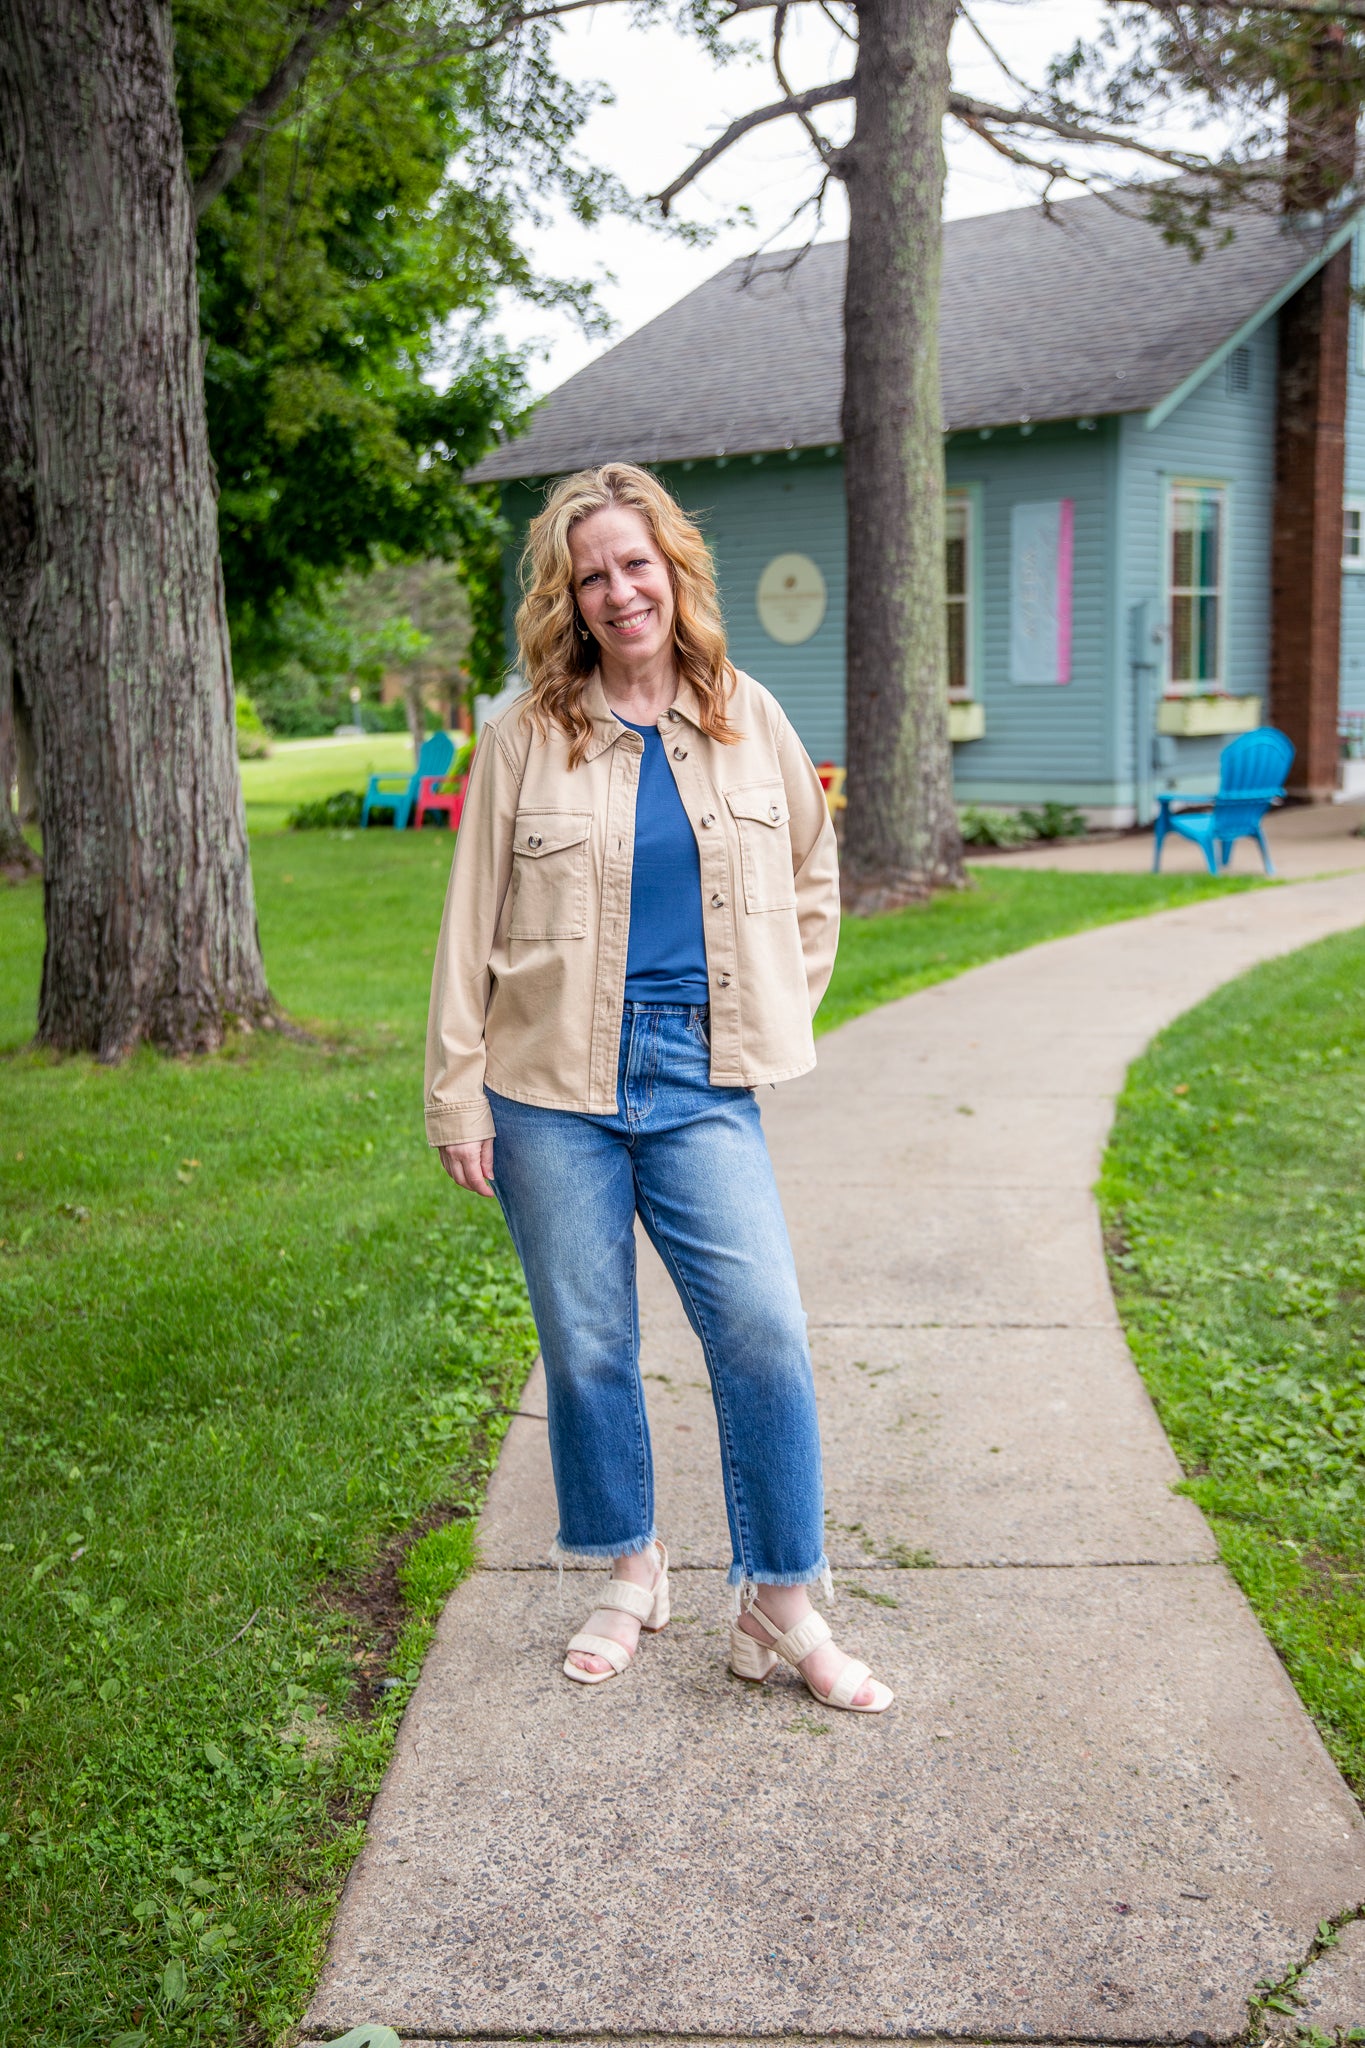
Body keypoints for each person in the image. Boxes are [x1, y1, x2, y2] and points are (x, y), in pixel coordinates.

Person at [424, 462, 892, 1714]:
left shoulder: (748, 714)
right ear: (570, 600)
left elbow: (812, 873)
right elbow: (469, 924)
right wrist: (455, 1093)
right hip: (546, 1083)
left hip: (696, 1074)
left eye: (638, 563)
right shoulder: (528, 733)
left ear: (674, 570)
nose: (621, 589)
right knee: (587, 1343)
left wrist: (770, 1007)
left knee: (763, 1330)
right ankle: (634, 1567)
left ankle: (778, 1599)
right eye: (594, 574)